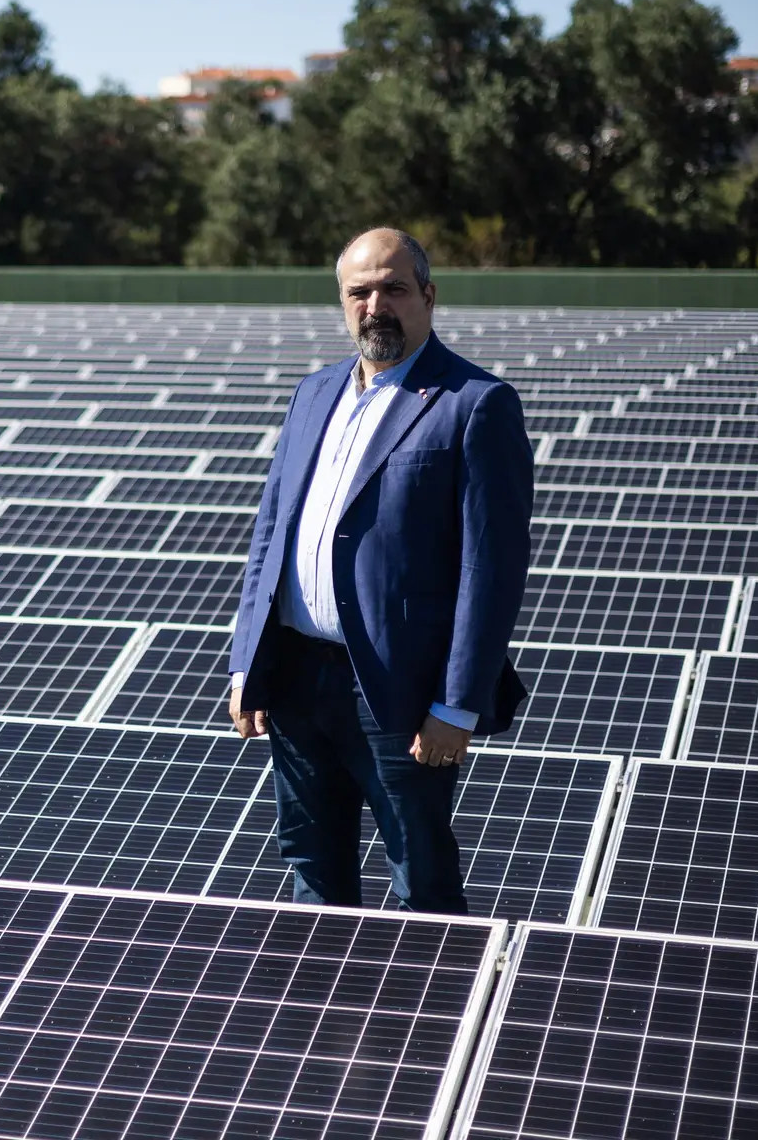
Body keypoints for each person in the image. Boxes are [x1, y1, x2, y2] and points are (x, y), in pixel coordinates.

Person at [226, 227, 532, 913]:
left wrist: (458, 703)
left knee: (417, 869)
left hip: (399, 691)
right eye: (359, 292)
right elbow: (270, 534)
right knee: (310, 856)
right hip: (297, 678)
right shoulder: (313, 394)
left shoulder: (473, 404)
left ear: (428, 295)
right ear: (342, 302)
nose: (376, 305)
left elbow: (492, 569)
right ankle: (329, 1006)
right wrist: (247, 661)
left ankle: (427, 1015)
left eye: (393, 288)